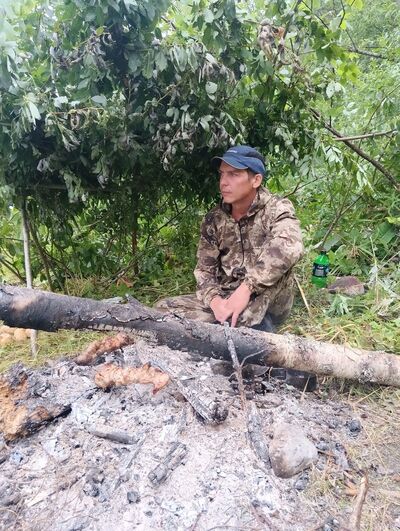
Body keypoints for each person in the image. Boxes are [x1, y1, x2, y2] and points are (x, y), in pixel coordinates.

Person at [155, 145, 304, 332]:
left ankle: (245, 326)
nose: (223, 182)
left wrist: (247, 288)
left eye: (233, 174)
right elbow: (204, 270)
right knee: (162, 309)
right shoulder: (215, 219)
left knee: (271, 278)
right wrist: (215, 302)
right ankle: (228, 323)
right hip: (228, 294)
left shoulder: (276, 209)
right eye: (222, 174)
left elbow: (290, 247)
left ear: (256, 180)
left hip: (265, 296)